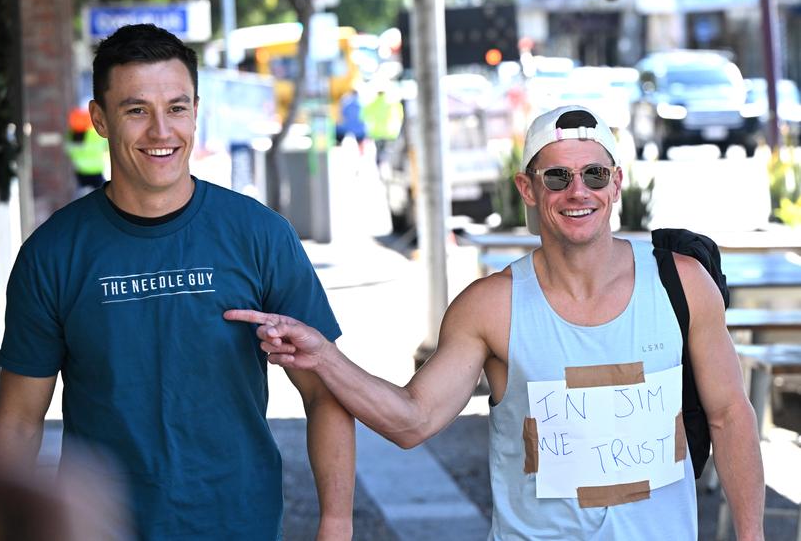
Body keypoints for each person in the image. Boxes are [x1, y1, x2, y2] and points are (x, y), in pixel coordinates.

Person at [225, 105, 766, 540]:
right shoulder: (492, 305)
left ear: (616, 183)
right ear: (527, 189)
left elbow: (729, 416)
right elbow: (413, 421)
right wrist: (325, 357)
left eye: (594, 174)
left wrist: (751, 535)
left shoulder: (682, 281)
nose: (578, 192)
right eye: (557, 177)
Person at [0, 24, 355, 540]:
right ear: (100, 119)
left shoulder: (259, 235)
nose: (162, 131)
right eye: (137, 110)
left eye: (177, 108)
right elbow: (20, 423)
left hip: (241, 525)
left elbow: (326, 393)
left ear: (196, 111)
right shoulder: (52, 254)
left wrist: (336, 524)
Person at [65, 107, 108, 193]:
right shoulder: (94, 135)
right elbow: (107, 145)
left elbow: (68, 151)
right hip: (96, 171)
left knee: (85, 196)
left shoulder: (70, 136)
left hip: (80, 172)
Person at [361, 85, 403, 167]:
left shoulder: (373, 103)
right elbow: (400, 115)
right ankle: (385, 165)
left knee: (379, 151)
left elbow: (363, 115)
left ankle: (380, 166)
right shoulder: (392, 104)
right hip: (390, 132)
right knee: (387, 151)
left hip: (377, 133)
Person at [334, 88, 367, 154]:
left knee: (338, 135)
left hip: (346, 127)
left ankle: (338, 150)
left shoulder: (346, 103)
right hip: (359, 129)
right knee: (361, 139)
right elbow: (366, 116)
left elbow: (341, 115)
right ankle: (362, 152)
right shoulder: (362, 104)